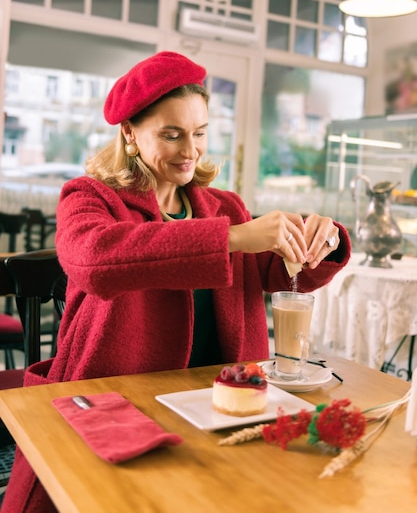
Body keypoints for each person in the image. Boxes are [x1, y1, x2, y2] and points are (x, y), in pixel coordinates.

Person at [2, 51, 351, 512]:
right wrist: (232, 238)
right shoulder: (90, 196)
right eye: (171, 135)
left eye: (200, 133)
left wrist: (320, 241)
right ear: (129, 133)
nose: (190, 151)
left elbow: (282, 270)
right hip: (114, 407)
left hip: (222, 408)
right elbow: (95, 261)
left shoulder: (226, 207)